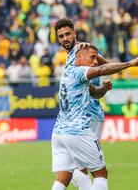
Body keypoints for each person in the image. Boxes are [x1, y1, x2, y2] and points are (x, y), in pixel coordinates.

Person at [51, 45, 138, 190]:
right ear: (78, 58)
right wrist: (131, 63)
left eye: (96, 58)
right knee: (100, 173)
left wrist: (104, 89)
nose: (96, 61)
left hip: (59, 133)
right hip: (78, 131)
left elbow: (95, 93)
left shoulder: (68, 73)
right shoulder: (80, 71)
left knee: (63, 177)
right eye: (92, 58)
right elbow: (102, 70)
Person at [55, 18, 112, 189]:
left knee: (78, 170)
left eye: (67, 34)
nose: (65, 38)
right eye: (61, 36)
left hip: (88, 116)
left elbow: (106, 66)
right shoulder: (70, 55)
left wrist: (88, 49)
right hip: (78, 120)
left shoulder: (82, 50)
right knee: (70, 171)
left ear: (74, 34)